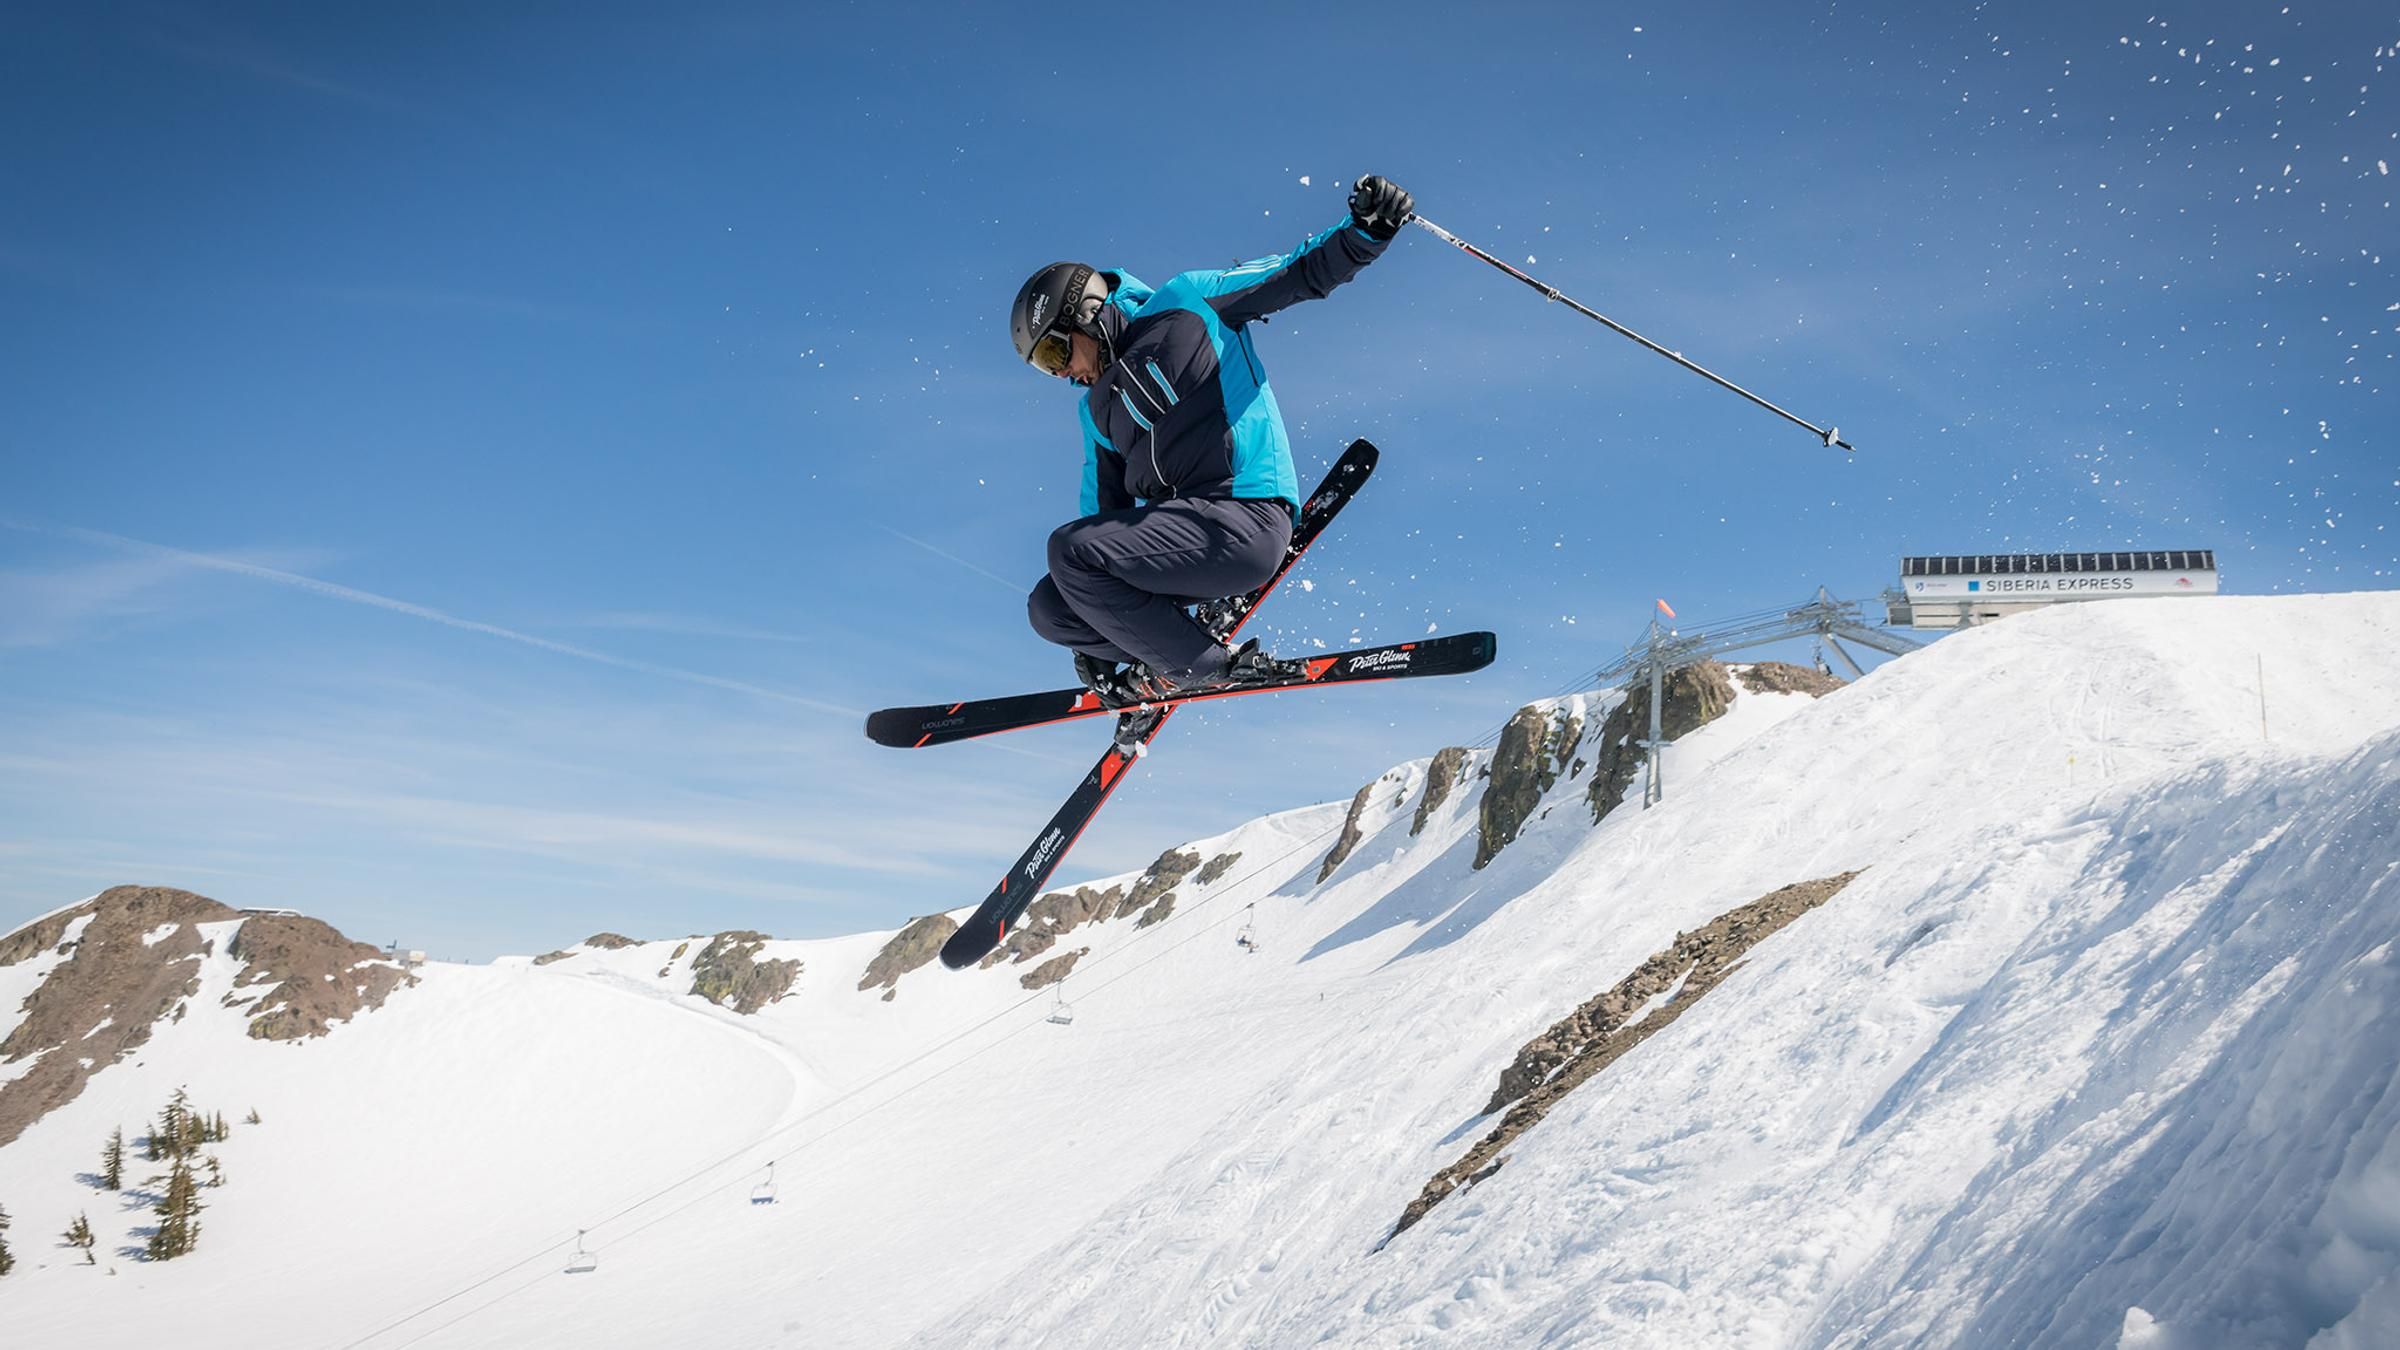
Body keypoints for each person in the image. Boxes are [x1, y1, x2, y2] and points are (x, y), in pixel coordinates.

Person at [1009, 174, 1415, 744]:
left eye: (1055, 351)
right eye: (1042, 368)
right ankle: (1164, 658)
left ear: (1090, 311)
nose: (1061, 373)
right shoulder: (1094, 411)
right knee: (1051, 606)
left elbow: (1295, 273)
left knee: (1069, 555)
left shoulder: (1189, 305)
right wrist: (1087, 638)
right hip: (1180, 551)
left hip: (1243, 521)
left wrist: (1365, 234)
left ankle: (1200, 668)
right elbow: (1099, 520)